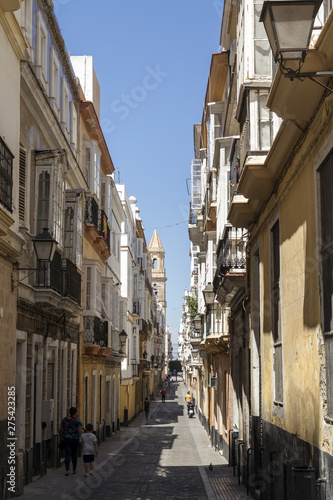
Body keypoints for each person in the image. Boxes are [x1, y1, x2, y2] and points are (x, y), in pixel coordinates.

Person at [59, 407, 83, 475]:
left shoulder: (65, 420)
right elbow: (79, 431)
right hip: (75, 439)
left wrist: (61, 436)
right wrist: (80, 437)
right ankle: (74, 469)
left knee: (67, 454)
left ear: (69, 412)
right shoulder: (78, 420)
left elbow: (61, 430)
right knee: (74, 454)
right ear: (76, 412)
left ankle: (67, 470)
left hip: (67, 439)